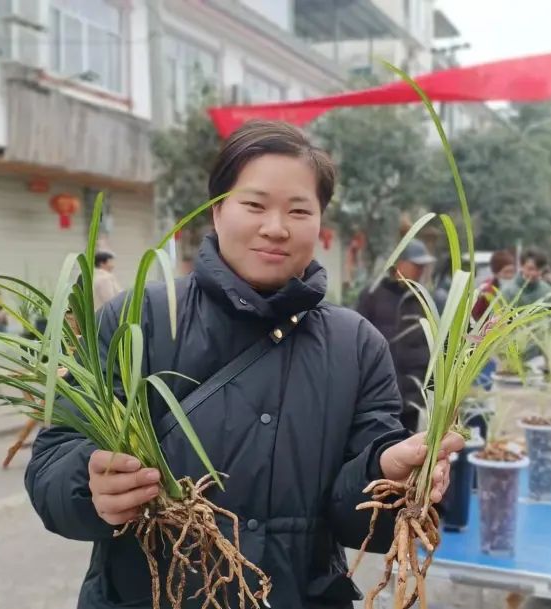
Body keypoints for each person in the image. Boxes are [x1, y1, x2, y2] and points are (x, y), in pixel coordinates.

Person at [24, 121, 463, 609]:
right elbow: (52, 463)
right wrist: (89, 486)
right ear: (216, 211)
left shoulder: (356, 345)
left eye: (299, 210)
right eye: (254, 205)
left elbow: (356, 522)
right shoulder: (135, 321)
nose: (275, 228)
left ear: (320, 223)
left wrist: (388, 476)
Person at [356, 238, 436, 432]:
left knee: (407, 444)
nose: (420, 271)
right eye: (416, 265)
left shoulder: (423, 299)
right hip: (380, 392)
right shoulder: (373, 295)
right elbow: (356, 340)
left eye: (422, 266)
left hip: (413, 394)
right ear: (399, 264)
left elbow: (432, 343)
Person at [470, 249, 515, 321]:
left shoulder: (515, 289)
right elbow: (476, 317)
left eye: (512, 272)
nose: (510, 276)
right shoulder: (486, 291)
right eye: (506, 272)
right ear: (496, 272)